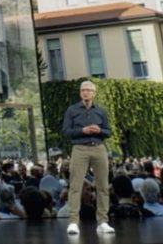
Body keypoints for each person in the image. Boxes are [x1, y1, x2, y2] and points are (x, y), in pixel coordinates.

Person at [62, 80, 115, 235]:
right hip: (79, 148)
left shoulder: (100, 111)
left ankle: (103, 221)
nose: (85, 92)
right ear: (80, 93)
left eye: (88, 90)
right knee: (75, 185)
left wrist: (99, 130)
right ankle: (73, 222)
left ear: (94, 93)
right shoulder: (72, 110)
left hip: (98, 147)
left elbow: (108, 132)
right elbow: (66, 131)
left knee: (103, 186)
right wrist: (82, 130)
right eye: (83, 90)